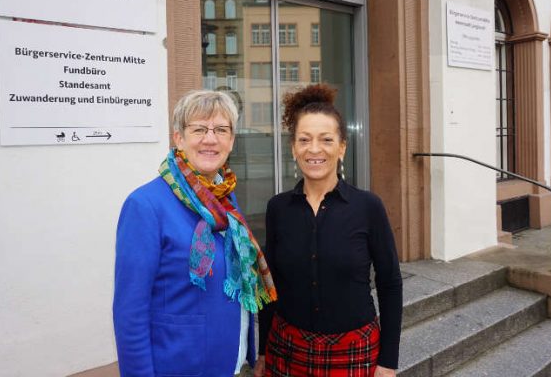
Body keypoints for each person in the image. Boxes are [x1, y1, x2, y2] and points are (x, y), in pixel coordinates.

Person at [113, 90, 277, 377]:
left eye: (221, 130)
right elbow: (130, 313)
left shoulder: (225, 198)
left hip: (232, 361)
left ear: (232, 140)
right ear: (179, 138)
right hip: (179, 365)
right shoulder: (146, 206)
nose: (210, 139)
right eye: (199, 129)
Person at [254, 84, 403, 377]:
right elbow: (269, 287)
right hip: (287, 348)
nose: (314, 149)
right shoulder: (278, 209)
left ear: (342, 147)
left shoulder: (368, 206)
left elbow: (390, 284)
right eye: (304, 139)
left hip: (353, 350)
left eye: (326, 139)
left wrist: (388, 361)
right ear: (293, 147)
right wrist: (262, 351)